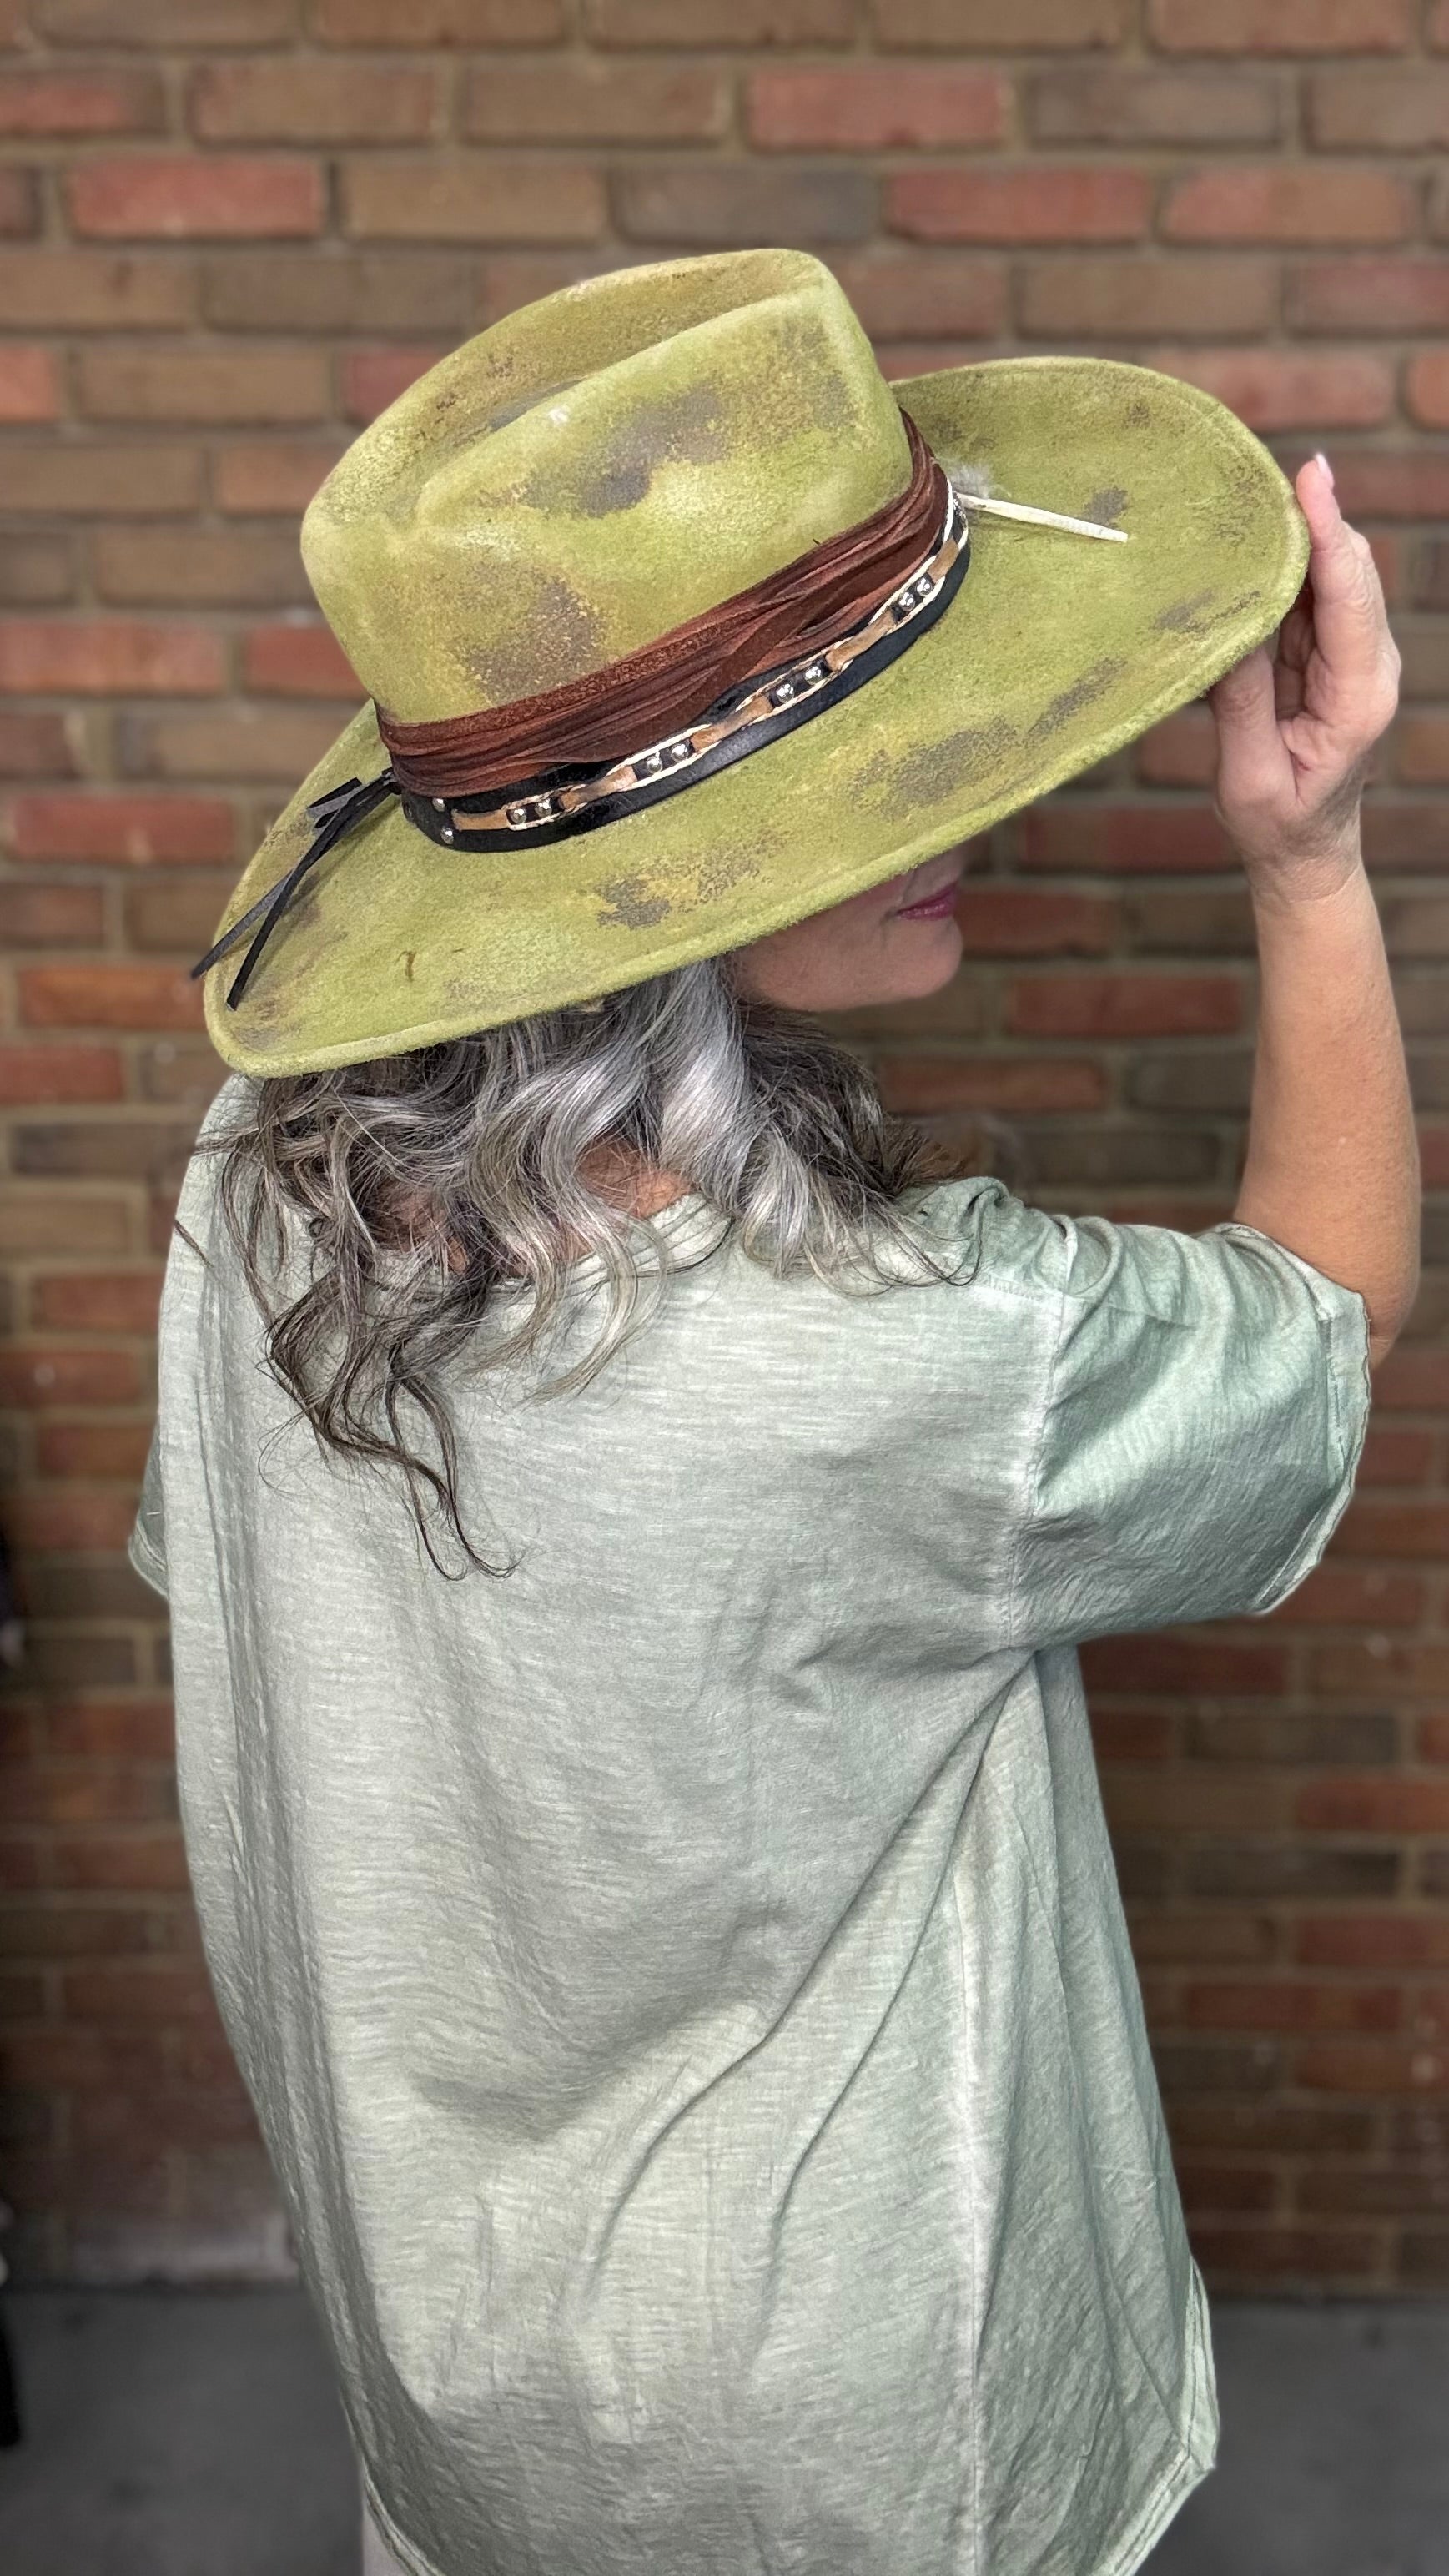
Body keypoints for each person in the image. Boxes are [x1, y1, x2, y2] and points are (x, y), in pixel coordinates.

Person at [130, 251, 1415, 2576]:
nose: (959, 796)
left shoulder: (269, 1174)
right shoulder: (894, 1350)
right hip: (857, 2412)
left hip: (451, 2361)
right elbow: (1316, 1323)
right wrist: (1306, 864)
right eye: (851, 766)